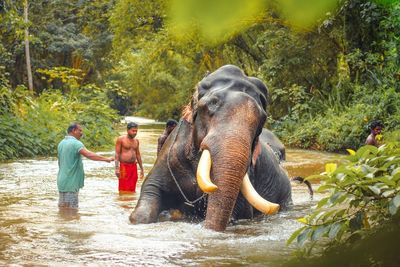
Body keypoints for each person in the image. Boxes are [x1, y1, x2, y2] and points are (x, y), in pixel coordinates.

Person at [57, 122, 114, 209]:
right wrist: (106, 159)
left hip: (61, 181)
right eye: (80, 130)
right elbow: (89, 155)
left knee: (63, 210)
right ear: (73, 130)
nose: (81, 133)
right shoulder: (76, 143)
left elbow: (60, 163)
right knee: (72, 211)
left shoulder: (61, 143)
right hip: (71, 183)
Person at [115, 122, 144, 193]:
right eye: (133, 131)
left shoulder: (136, 141)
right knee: (123, 188)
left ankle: (130, 202)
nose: (135, 132)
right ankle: (123, 203)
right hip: (124, 167)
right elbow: (117, 154)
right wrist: (117, 168)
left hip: (133, 167)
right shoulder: (121, 139)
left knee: (132, 189)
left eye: (136, 131)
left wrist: (141, 168)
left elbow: (138, 155)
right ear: (127, 130)